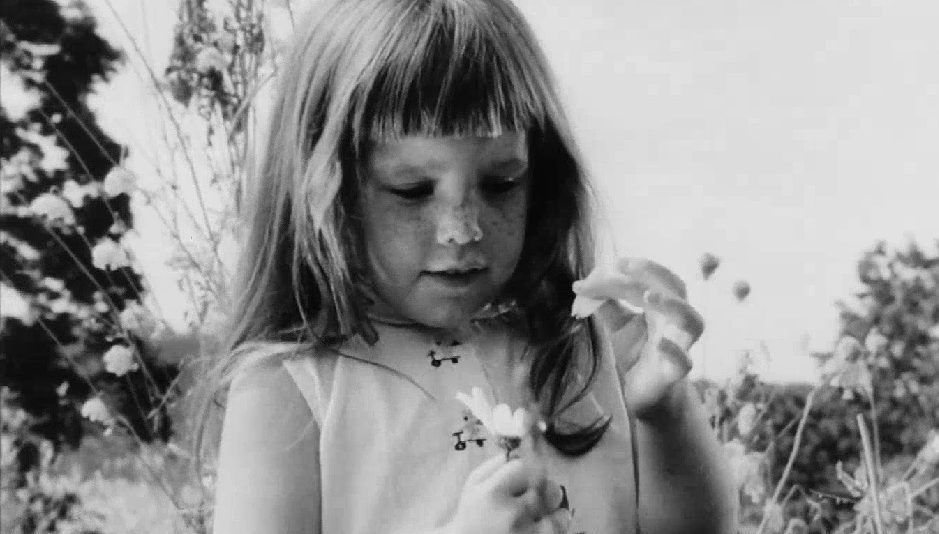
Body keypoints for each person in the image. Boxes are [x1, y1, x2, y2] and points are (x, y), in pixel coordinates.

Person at [202, 0, 737, 532]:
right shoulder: (290, 390)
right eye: (412, 190)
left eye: (501, 183)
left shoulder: (578, 347)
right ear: (325, 192)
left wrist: (664, 413)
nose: (463, 228)